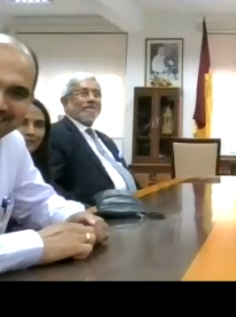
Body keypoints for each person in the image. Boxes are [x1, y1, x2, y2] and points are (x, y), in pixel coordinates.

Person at [0, 34, 109, 274]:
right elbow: (37, 243)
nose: (1, 104)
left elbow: (38, 202)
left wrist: (76, 217)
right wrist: (36, 245)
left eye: (17, 93)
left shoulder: (11, 141)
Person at [49, 73, 140, 206]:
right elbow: (50, 186)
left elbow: (124, 174)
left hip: (132, 208)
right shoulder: (54, 134)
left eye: (96, 94)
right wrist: (82, 212)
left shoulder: (105, 140)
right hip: (94, 214)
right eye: (83, 93)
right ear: (65, 102)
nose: (92, 99)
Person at [7, 99, 59, 233]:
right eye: (23, 123)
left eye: (39, 125)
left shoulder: (44, 167)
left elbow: (39, 203)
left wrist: (76, 215)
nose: (31, 132)